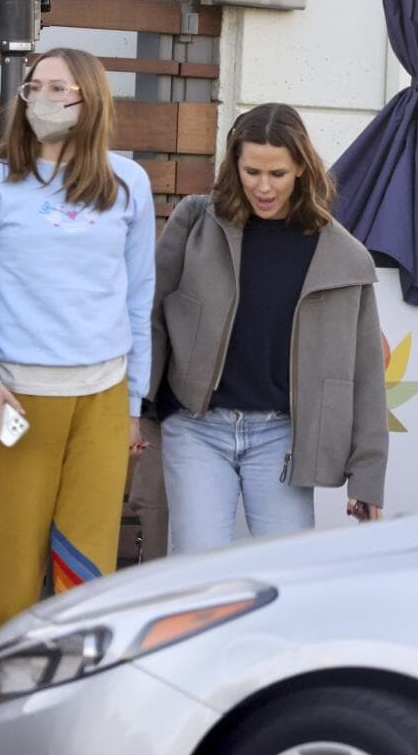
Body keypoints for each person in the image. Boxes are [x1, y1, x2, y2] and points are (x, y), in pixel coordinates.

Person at [0, 48, 156, 644]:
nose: (43, 99)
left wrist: (133, 404)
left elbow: (139, 298)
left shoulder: (128, 183)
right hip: (17, 403)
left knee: (86, 578)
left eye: (60, 88)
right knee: (11, 581)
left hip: (103, 401)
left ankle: (75, 699)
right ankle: (4, 700)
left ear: (91, 99)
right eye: (34, 87)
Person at [150, 103, 388, 554]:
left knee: (287, 569)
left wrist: (368, 477)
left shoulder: (343, 257)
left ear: (301, 167)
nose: (263, 186)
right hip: (197, 427)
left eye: (276, 173)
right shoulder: (196, 223)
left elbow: (365, 372)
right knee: (199, 569)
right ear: (234, 165)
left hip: (282, 438)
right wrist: (134, 409)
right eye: (251, 171)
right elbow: (152, 316)